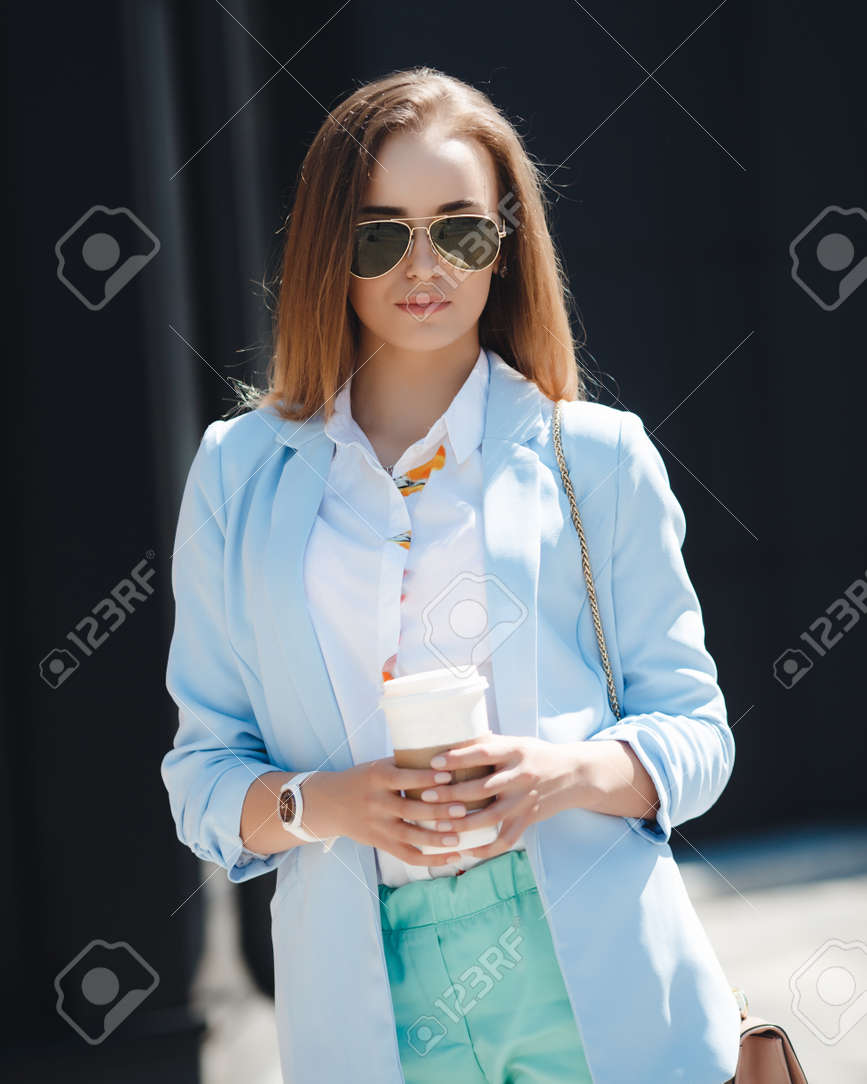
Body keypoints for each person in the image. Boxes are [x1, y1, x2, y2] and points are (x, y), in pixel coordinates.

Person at [160, 67, 742, 1083]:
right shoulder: (236, 474)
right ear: (327, 251)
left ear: (504, 245)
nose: (422, 265)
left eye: (460, 229)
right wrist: (327, 803)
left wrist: (562, 774)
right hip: (362, 999)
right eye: (380, 232)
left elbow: (697, 734)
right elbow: (200, 779)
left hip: (597, 979)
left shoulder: (596, 455)